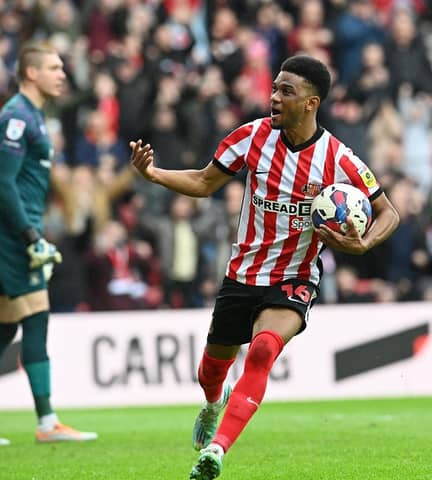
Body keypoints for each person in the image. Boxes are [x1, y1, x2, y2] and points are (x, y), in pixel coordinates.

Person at [129, 55, 399, 479]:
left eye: (285, 91)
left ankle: (216, 452)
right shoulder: (251, 137)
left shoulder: (338, 159)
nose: (273, 97)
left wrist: (364, 243)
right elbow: (204, 182)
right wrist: (155, 174)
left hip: (295, 277)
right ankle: (214, 404)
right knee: (211, 370)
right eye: (274, 88)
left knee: (263, 351)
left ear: (311, 104)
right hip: (242, 273)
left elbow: (388, 213)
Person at [0, 42, 98, 443]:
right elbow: (3, 181)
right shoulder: (16, 118)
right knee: (36, 314)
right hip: (12, 235)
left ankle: (46, 422)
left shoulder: (35, 117)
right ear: (31, 73)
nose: (62, 74)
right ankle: (46, 422)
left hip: (19, 230)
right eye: (54, 68)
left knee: (5, 328)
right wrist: (29, 234)